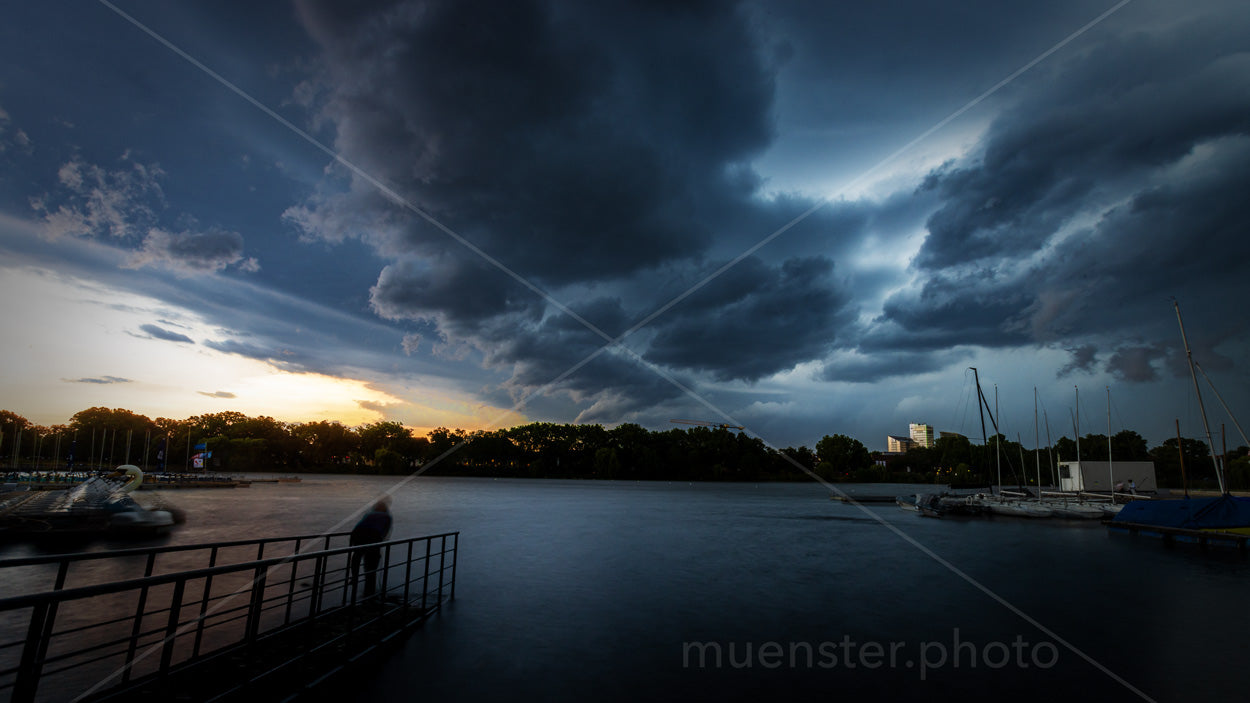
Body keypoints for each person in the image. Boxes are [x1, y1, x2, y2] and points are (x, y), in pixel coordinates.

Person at [349, 498, 393, 603]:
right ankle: (369, 594)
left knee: (357, 555)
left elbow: (360, 525)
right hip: (373, 536)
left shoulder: (369, 514)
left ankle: (354, 578)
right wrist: (379, 546)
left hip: (357, 533)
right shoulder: (387, 517)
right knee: (371, 565)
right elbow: (385, 533)